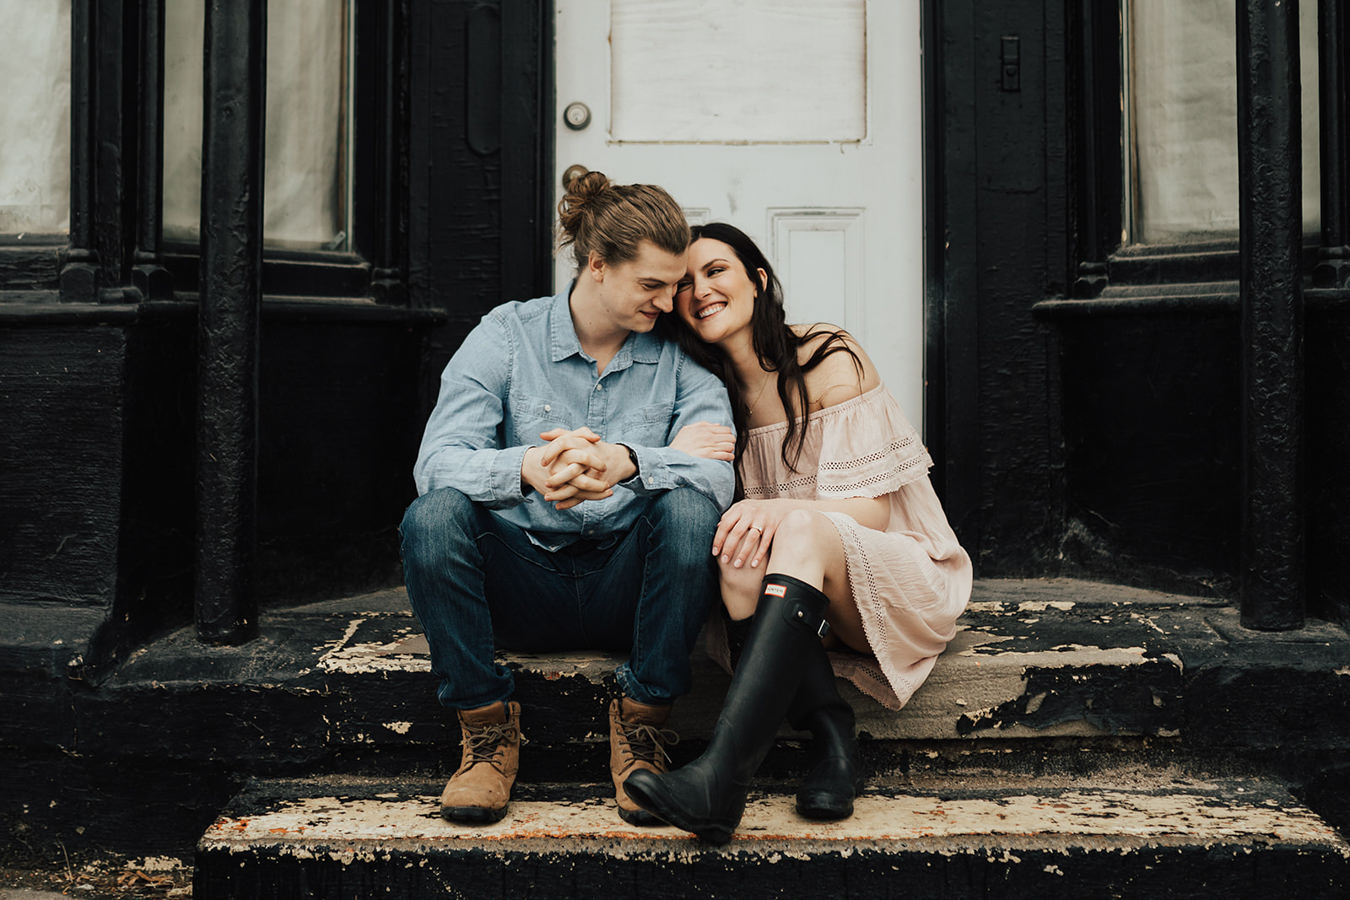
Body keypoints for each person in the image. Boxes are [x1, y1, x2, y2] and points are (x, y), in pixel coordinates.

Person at [399, 174, 735, 826]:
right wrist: (525, 469)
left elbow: (717, 481)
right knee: (432, 518)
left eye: (675, 284)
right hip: (520, 584)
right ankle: (486, 735)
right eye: (652, 285)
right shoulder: (506, 336)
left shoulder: (679, 356)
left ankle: (643, 730)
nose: (671, 302)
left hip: (630, 592)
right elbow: (435, 464)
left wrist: (631, 463)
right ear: (599, 265)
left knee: (693, 510)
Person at [624, 223, 972, 844]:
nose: (699, 289)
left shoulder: (825, 353)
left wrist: (784, 512)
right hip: (803, 598)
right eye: (684, 283)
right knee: (735, 563)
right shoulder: (707, 393)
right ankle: (832, 739)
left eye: (717, 271)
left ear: (757, 281)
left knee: (800, 531)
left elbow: (872, 513)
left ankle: (720, 780)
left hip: (899, 581)